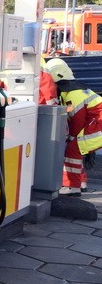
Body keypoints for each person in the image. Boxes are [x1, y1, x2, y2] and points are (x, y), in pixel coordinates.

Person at [46, 58, 102, 195]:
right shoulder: (73, 90)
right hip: (96, 123)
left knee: (73, 149)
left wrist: (70, 138)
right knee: (76, 148)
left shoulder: (72, 94)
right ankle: (81, 183)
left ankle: (72, 187)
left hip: (98, 124)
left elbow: (78, 121)